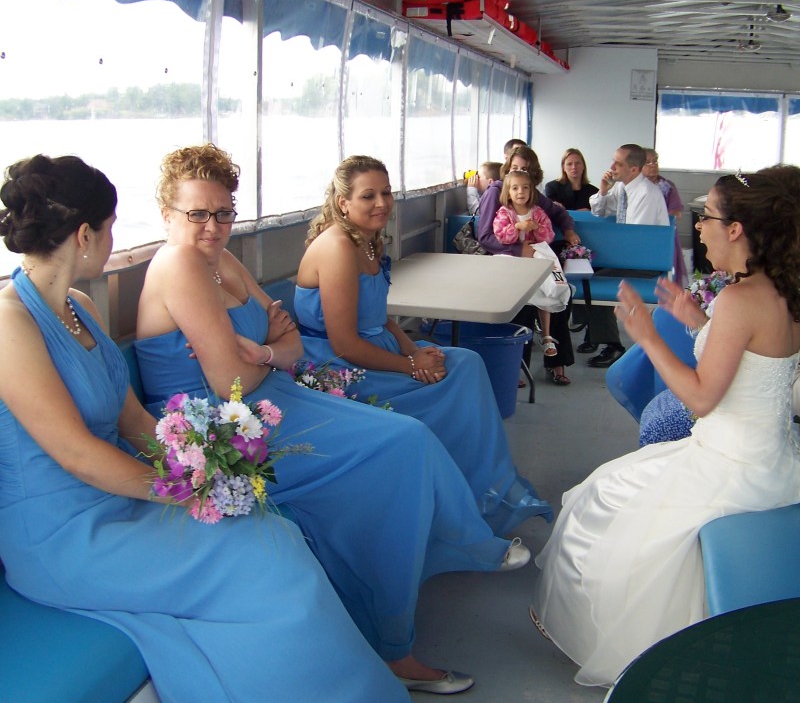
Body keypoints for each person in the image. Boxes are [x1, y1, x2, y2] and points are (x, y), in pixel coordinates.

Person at [0, 154, 412, 703]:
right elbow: (76, 453)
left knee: (273, 533)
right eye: (110, 228)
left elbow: (131, 419)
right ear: (84, 235)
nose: (112, 238)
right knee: (262, 560)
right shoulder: (10, 322)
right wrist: (184, 488)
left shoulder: (79, 306)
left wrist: (205, 463)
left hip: (119, 501)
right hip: (63, 534)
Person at [134, 144, 527, 696]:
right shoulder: (178, 264)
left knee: (406, 439)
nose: (213, 226)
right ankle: (390, 642)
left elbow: (288, 343)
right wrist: (268, 347)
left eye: (224, 212)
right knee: (397, 447)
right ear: (166, 214)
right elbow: (229, 383)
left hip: (273, 396)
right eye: (197, 214)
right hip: (221, 425)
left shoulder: (220, 260)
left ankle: (398, 603)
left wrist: (265, 347)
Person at [531, 165, 800, 688]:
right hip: (774, 459)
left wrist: (645, 335)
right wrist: (699, 322)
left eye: (708, 218)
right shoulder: (780, 290)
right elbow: (756, 361)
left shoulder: (743, 300)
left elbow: (702, 397)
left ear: (738, 229)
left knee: (597, 499)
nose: (699, 228)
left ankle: (627, 644)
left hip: (731, 465)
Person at [293, 154, 552, 535]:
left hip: (374, 349)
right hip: (336, 366)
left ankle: (484, 490)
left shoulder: (368, 241)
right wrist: (410, 367)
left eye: (386, 193)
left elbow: (379, 319)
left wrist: (413, 350)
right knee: (451, 383)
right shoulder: (337, 248)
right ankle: (454, 505)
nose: (381, 203)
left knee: (466, 363)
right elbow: (345, 342)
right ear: (343, 202)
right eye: (368, 196)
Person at [478, 145, 579, 386]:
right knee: (522, 302)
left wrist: (568, 229)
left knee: (557, 295)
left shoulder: (531, 194)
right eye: (514, 169)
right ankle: (515, 367)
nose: (519, 174)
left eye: (525, 170)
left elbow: (557, 213)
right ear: (506, 169)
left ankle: (557, 362)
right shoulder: (497, 193)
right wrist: (518, 249)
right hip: (508, 258)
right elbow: (485, 237)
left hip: (533, 256)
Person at [582, 143, 669, 368]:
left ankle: (611, 345)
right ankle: (601, 338)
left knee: (592, 281)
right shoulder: (622, 188)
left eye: (618, 163)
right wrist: (602, 190)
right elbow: (599, 210)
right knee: (583, 274)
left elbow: (634, 241)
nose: (611, 167)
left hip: (645, 262)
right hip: (629, 257)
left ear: (633, 170)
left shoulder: (647, 194)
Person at [492, 167, 559, 359]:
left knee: (545, 287)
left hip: (535, 256)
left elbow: (549, 236)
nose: (520, 192)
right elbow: (502, 236)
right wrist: (517, 227)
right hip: (513, 257)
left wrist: (537, 229)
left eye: (525, 188)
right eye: (515, 188)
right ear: (508, 192)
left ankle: (546, 334)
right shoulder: (505, 213)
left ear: (531, 191)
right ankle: (508, 332)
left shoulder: (537, 213)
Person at [643, 148, 689, 287]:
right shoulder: (633, 186)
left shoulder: (667, 186)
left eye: (655, 161)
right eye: (648, 162)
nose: (653, 165)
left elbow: (676, 212)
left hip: (663, 234)